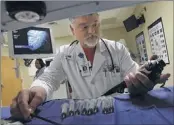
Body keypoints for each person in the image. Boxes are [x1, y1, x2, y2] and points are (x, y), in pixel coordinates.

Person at [10, 13, 170, 120]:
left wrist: (144, 79)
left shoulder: (117, 49)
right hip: (84, 116)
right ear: (72, 29)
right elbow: (49, 79)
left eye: (96, 24)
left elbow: (134, 73)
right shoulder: (64, 53)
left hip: (117, 114)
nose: (92, 31)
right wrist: (36, 91)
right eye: (84, 26)